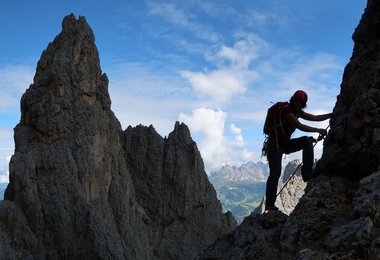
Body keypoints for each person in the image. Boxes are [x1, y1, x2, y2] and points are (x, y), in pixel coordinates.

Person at [264, 90, 333, 211]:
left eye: (300, 103)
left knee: (306, 141)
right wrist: (318, 130)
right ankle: (270, 204)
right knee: (275, 174)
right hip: (274, 146)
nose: (298, 104)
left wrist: (332, 115)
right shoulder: (287, 111)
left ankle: (307, 174)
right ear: (293, 100)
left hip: (284, 144)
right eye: (297, 101)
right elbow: (299, 126)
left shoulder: (297, 112)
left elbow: (316, 118)